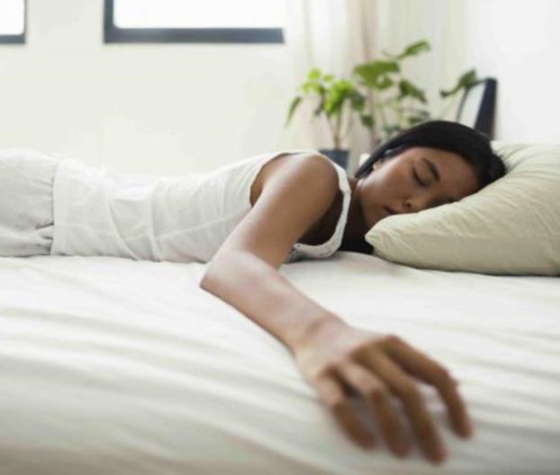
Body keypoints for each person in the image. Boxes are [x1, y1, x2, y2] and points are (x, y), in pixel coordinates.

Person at [0, 120, 506, 465]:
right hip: (43, 201)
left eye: (440, 206)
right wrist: (320, 333)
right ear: (381, 158)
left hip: (54, 230)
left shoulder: (360, 241)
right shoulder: (315, 174)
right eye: (419, 176)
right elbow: (234, 263)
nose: (417, 203)